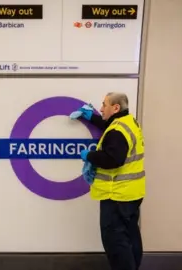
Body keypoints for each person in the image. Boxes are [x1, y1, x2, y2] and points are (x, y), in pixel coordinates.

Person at [74, 92, 146, 270]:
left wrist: (89, 155)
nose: (100, 108)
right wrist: (92, 118)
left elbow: (113, 159)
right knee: (130, 236)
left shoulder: (117, 131)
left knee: (116, 242)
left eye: (104, 105)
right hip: (131, 193)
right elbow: (109, 126)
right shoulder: (128, 122)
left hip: (116, 195)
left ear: (115, 108)